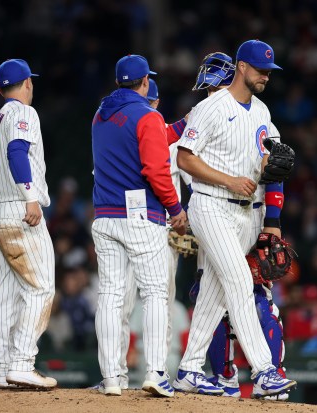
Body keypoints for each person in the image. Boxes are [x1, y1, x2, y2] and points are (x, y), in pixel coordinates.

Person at [173, 39, 296, 398]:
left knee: (214, 293)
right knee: (241, 283)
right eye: (260, 70)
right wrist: (229, 179)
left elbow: (274, 162)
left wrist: (271, 210)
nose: (265, 77)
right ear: (242, 67)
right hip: (212, 205)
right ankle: (264, 371)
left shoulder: (261, 112)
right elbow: (185, 159)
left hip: (248, 215)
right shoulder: (212, 107)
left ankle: (188, 369)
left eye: (269, 72)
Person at [91, 54, 186, 398]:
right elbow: (156, 171)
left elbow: (146, 135)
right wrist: (176, 208)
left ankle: (112, 377)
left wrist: (182, 125)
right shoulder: (148, 115)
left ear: (119, 82)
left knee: (111, 296)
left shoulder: (100, 115)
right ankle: (156, 372)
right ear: (145, 82)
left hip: (105, 216)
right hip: (141, 216)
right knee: (155, 294)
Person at [0, 59, 56, 388]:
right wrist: (29, 196)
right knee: (40, 288)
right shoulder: (23, 112)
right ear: (27, 83)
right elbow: (17, 152)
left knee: (4, 293)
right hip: (17, 210)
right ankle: (23, 363)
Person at [117, 78, 188, 387]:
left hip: (165, 230)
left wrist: (187, 220)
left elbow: (192, 183)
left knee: (163, 300)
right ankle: (117, 371)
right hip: (132, 224)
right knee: (123, 300)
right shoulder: (124, 136)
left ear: (156, 105)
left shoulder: (173, 140)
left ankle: (160, 374)